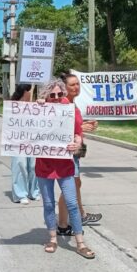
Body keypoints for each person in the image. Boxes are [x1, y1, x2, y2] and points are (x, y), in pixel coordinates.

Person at [35, 79, 95, 259]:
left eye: (59, 94)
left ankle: (80, 243)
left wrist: (77, 143)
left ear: (63, 94)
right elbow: (26, 127)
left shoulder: (70, 109)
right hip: (44, 165)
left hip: (64, 165)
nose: (55, 98)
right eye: (51, 95)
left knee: (72, 204)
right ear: (46, 95)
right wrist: (36, 107)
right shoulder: (39, 109)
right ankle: (53, 238)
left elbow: (79, 134)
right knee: (48, 204)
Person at [56, 73, 102, 236]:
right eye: (72, 85)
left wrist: (85, 124)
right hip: (68, 152)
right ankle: (63, 224)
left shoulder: (72, 104)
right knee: (70, 186)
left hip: (75, 151)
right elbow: (60, 129)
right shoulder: (63, 103)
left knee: (76, 184)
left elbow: (74, 125)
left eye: (77, 84)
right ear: (65, 88)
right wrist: (82, 128)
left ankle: (80, 214)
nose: (76, 87)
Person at [9, 84, 39, 204]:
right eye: (30, 91)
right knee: (20, 165)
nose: (31, 93)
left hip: (32, 141)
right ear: (24, 91)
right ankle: (20, 194)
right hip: (18, 142)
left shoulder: (35, 106)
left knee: (33, 166)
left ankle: (34, 191)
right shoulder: (13, 106)